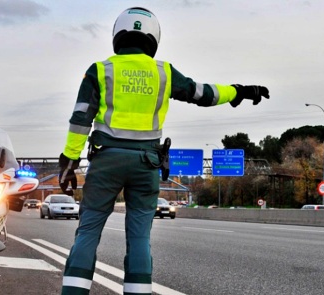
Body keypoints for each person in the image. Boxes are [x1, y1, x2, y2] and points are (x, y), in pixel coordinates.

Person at [59, 6, 270, 295]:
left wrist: (69, 161)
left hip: (106, 161)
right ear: (153, 38)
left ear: (117, 36)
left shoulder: (100, 70)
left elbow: (81, 118)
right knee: (139, 237)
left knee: (88, 232)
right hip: (146, 164)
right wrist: (238, 91)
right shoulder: (164, 73)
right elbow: (203, 93)